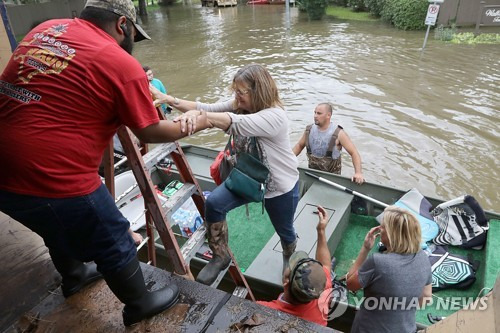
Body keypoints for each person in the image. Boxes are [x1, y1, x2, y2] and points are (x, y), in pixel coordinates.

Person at [0, 0, 211, 326]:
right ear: (122, 25)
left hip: (5, 171)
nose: (131, 47)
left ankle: (74, 275)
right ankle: (139, 303)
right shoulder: (120, 63)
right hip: (48, 172)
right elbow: (149, 129)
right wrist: (199, 121)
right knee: (114, 235)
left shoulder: (46, 31)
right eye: (133, 38)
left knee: (52, 221)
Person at [152, 63, 301, 286]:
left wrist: (203, 118)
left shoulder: (275, 116)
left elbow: (232, 122)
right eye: (236, 92)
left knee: (285, 231)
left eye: (241, 93)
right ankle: (220, 255)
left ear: (258, 92)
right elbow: (208, 108)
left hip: (279, 186)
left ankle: (288, 254)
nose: (236, 98)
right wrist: (169, 99)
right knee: (214, 204)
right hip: (247, 178)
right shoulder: (241, 105)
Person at [345, 206, 433, 333]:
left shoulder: (377, 262)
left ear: (392, 234)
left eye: (383, 226)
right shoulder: (423, 257)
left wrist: (365, 249)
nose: (380, 229)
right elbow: (426, 296)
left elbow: (350, 284)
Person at [257, 206, 332, 326]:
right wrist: (321, 231)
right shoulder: (322, 293)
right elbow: (326, 265)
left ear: (286, 281)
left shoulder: (264, 310)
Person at [293, 103, 365, 184]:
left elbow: (354, 153)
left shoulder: (338, 133)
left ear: (328, 115)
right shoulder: (309, 131)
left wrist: (358, 173)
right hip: (312, 176)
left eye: (319, 113)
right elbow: (299, 146)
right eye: (315, 112)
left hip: (332, 180)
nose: (315, 116)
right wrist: (286, 160)